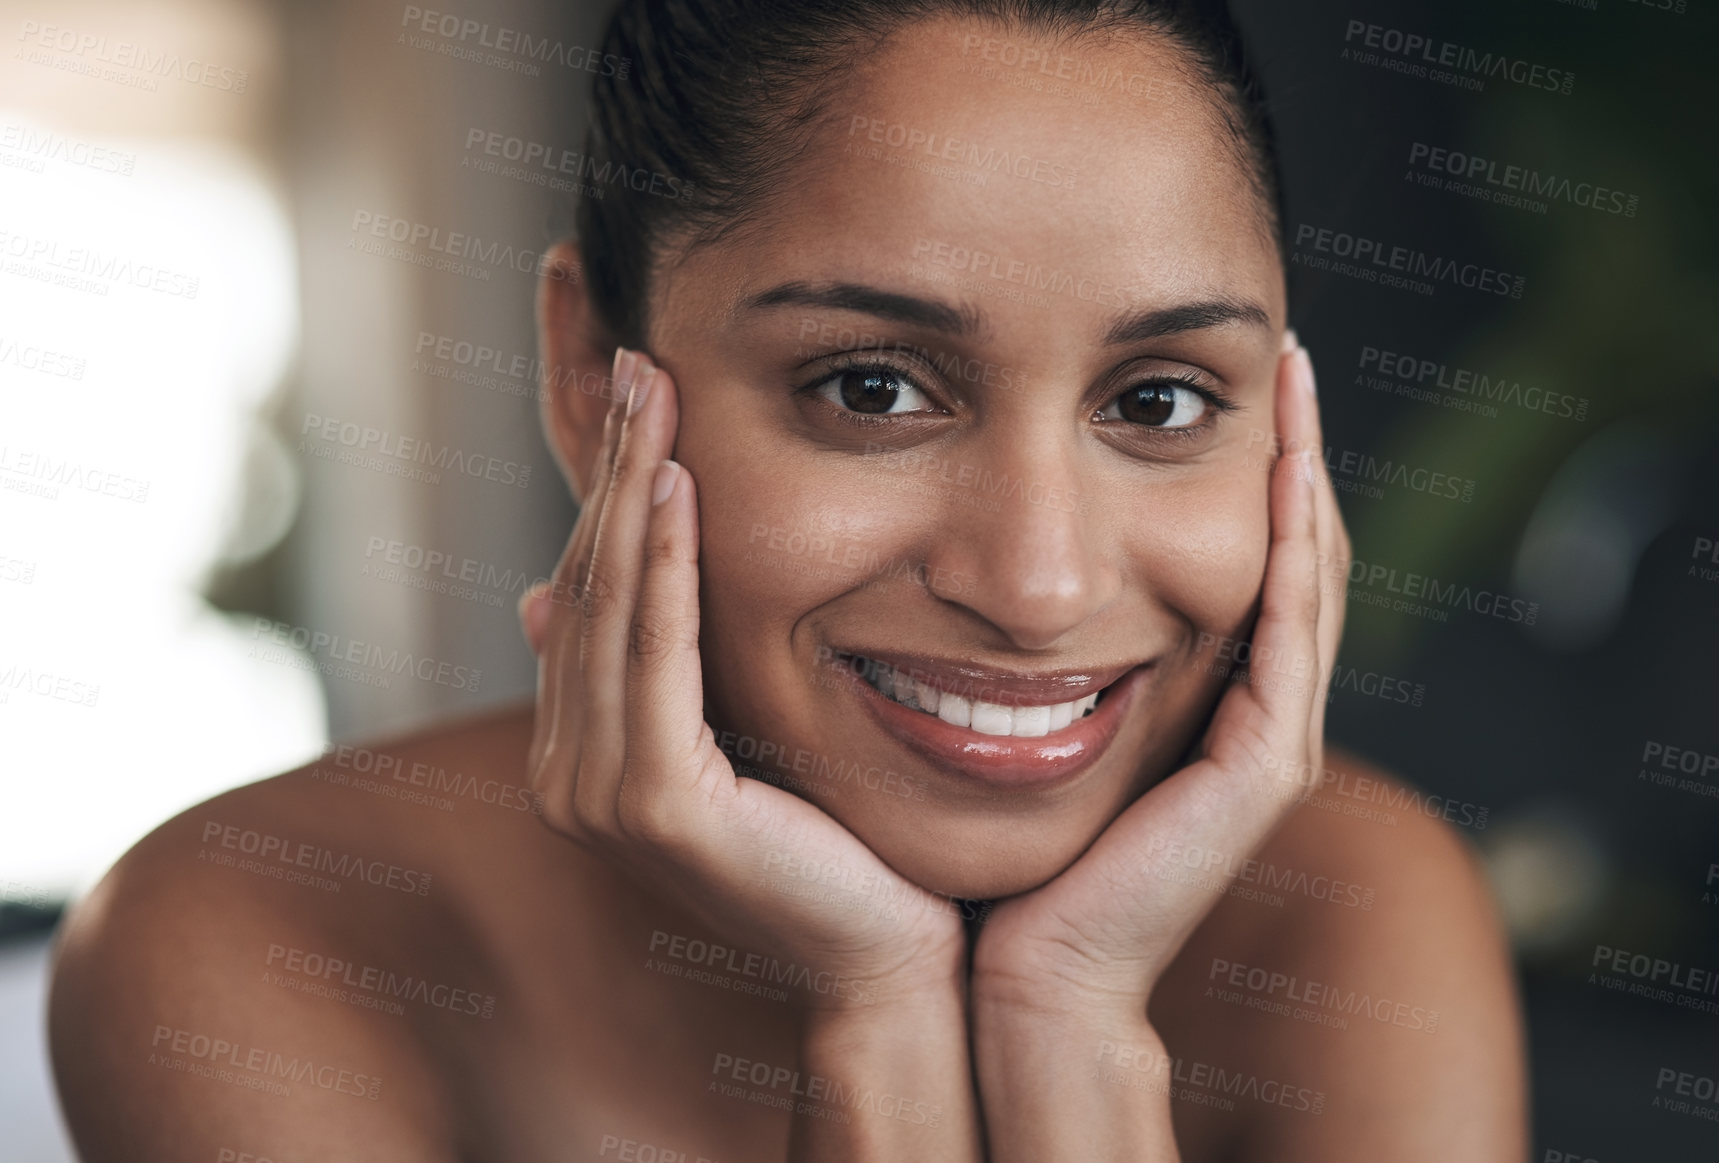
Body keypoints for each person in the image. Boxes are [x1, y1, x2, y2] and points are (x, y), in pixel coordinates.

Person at [47, 1, 1527, 1158]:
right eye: (872, 391)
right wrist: (877, 1021)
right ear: (588, 379)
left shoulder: (1351, 927)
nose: (1038, 581)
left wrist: (1068, 1019)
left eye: (1156, 403)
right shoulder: (262, 937)